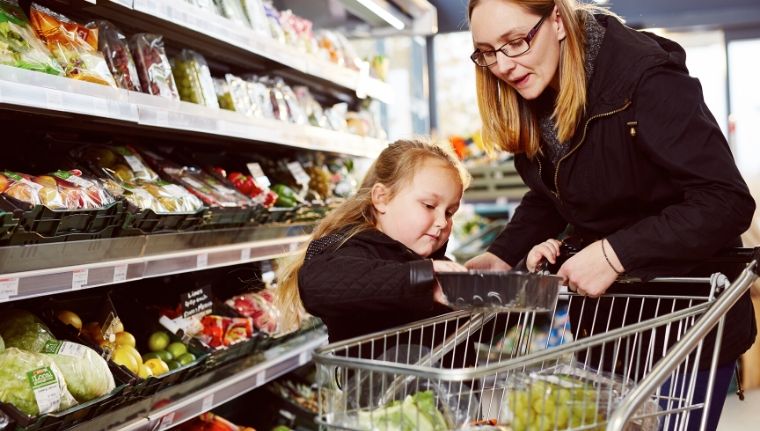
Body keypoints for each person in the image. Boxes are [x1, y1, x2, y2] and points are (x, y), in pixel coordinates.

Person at [464, 0, 756, 429]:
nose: (503, 65)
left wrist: (614, 254)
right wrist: (501, 255)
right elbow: (553, 193)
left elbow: (725, 201)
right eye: (487, 52)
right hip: (605, 329)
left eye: (516, 41)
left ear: (557, 20)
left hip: (684, 329)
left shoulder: (645, 76)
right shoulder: (536, 85)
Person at [275, 139, 470, 343]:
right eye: (429, 205)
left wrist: (486, 292)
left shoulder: (434, 263)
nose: (442, 222)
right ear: (382, 198)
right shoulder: (351, 248)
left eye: (450, 212)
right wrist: (420, 278)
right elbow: (319, 283)